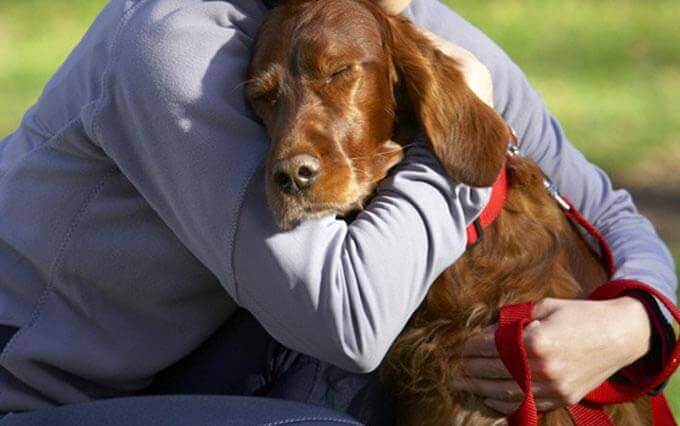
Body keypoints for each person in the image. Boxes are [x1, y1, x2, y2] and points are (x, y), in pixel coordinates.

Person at [0, 0, 676, 424]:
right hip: (44, 397)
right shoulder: (175, 46)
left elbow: (604, 206)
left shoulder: (403, 24)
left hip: (191, 361)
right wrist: (448, 132)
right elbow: (350, 320)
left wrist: (636, 325)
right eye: (267, 103)